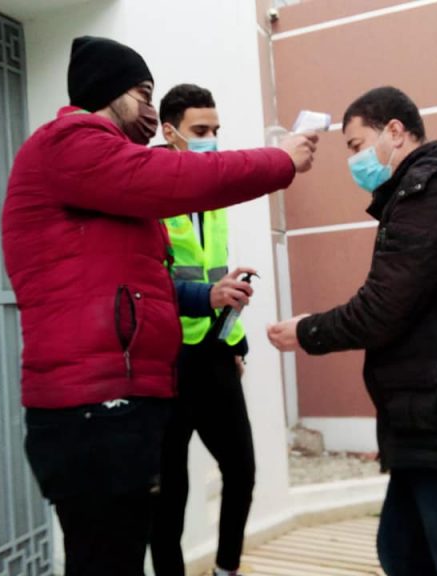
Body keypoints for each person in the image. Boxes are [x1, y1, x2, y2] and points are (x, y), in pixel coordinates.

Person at [2, 36, 317, 576]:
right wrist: (280, 159)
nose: (150, 110)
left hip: (124, 398)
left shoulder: (102, 178)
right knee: (110, 556)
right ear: (108, 91)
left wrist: (218, 318)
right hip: (95, 407)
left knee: (117, 553)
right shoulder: (71, 141)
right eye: (144, 94)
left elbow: (144, 286)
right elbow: (174, 176)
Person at [267, 86, 437, 576]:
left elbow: (381, 309)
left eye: (355, 145)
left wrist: (306, 331)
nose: (352, 161)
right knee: (402, 552)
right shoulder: (422, 194)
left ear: (394, 131)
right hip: (433, 433)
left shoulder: (434, 196)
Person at [149, 84, 256, 576]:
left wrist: (236, 339)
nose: (211, 139)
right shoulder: (146, 192)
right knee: (169, 493)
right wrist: (206, 295)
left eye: (215, 129)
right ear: (170, 132)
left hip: (216, 352)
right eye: (200, 130)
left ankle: (225, 571)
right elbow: (146, 282)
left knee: (242, 471)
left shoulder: (212, 193)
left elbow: (211, 270)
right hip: (167, 362)